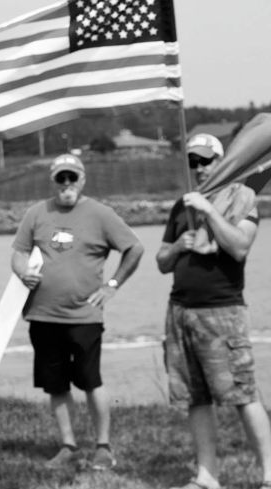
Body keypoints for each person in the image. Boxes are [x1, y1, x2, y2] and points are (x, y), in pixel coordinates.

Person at [11, 154, 144, 470]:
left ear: (82, 180)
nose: (67, 184)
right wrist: (21, 272)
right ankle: (68, 445)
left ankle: (103, 447)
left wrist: (112, 285)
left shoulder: (101, 214)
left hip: (85, 317)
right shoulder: (36, 213)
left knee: (90, 381)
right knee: (56, 384)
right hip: (43, 316)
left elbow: (134, 248)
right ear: (53, 181)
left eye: (72, 177)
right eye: (61, 178)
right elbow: (18, 252)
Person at [156, 133, 271, 489]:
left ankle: (270, 472)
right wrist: (177, 246)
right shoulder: (181, 205)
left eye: (206, 160)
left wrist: (208, 212)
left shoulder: (242, 198)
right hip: (180, 312)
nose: (200, 168)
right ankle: (207, 476)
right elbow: (161, 262)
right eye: (193, 161)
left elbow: (239, 247)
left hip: (222, 312)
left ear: (224, 161)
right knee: (195, 397)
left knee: (242, 394)